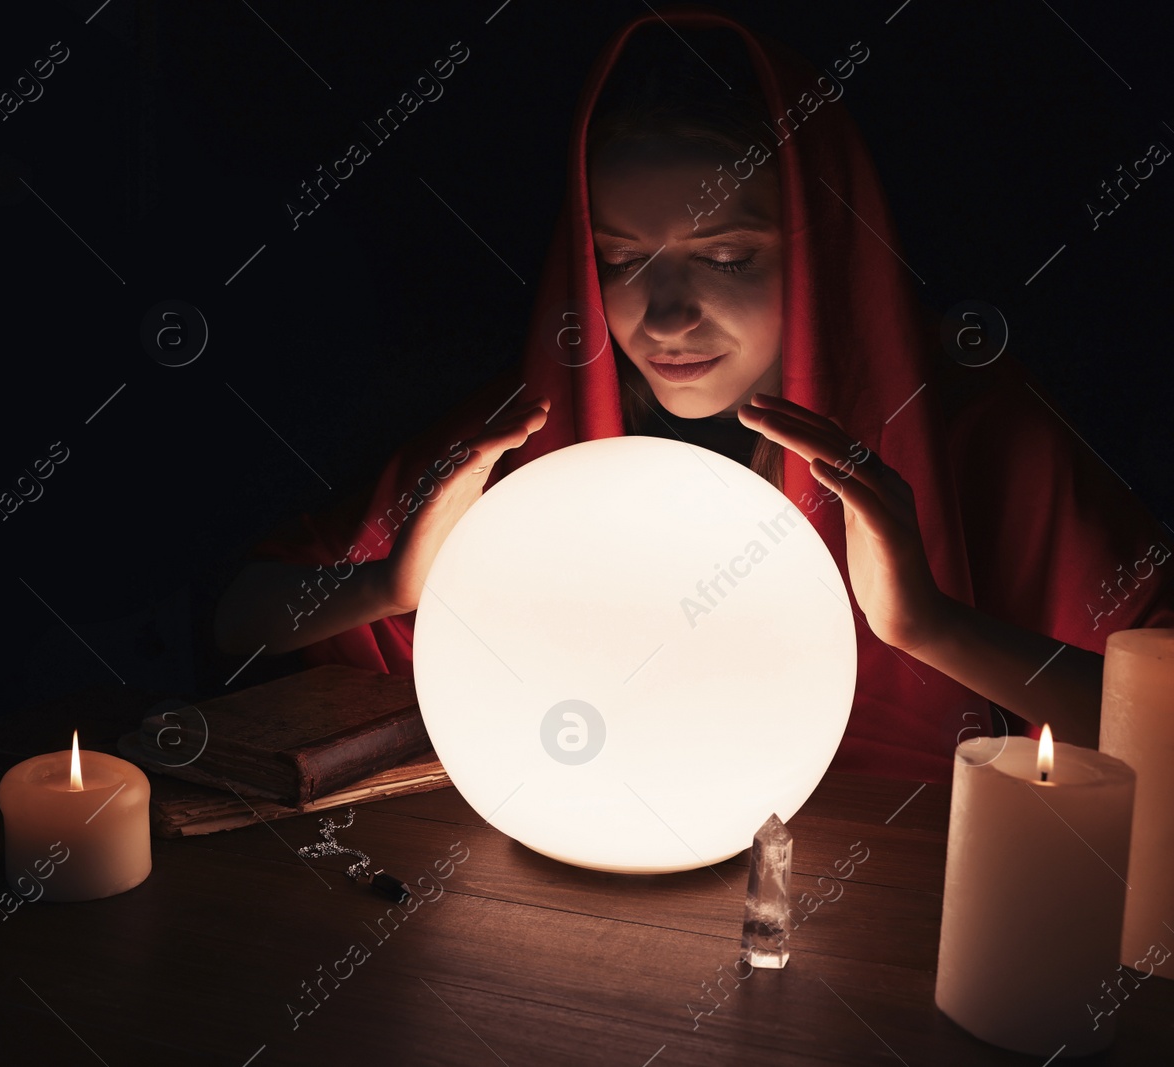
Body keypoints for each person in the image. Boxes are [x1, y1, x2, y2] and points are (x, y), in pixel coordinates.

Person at [213, 6, 1173, 781]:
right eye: (623, 260)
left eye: (726, 256)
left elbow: (1158, 726)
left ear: (826, 251)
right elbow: (239, 612)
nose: (665, 316)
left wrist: (927, 624)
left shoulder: (976, 439)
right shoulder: (531, 440)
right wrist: (387, 585)